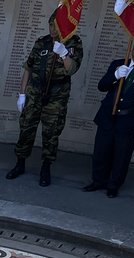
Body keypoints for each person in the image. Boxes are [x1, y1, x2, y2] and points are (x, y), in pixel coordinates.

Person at [6, 12, 83, 186]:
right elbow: (28, 67)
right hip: (35, 92)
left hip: (56, 96)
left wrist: (64, 54)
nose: (53, 29)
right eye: (50, 25)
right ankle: (20, 164)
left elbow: (71, 70)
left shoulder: (74, 43)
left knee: (51, 134)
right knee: (26, 128)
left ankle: (46, 168)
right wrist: (22, 93)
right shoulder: (42, 42)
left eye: (56, 25)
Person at [84, 33, 134, 198]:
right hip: (108, 117)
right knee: (101, 151)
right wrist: (115, 76)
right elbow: (102, 86)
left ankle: (113, 185)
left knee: (122, 155)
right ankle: (98, 181)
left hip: (130, 120)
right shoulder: (119, 64)